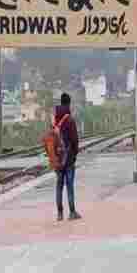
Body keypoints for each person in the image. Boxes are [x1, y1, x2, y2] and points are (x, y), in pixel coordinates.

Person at [54, 93, 81, 221]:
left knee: (59, 185)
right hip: (69, 158)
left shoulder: (55, 119)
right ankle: (72, 212)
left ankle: (60, 214)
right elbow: (75, 140)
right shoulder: (69, 120)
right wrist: (75, 154)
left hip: (58, 158)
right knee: (69, 185)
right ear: (69, 103)